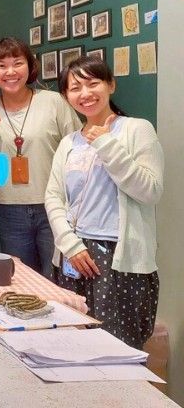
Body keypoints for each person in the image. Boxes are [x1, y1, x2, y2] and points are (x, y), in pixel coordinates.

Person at [46, 56, 163, 349]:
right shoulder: (68, 142)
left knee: (118, 347)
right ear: (66, 96)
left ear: (111, 85)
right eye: (75, 88)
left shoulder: (137, 130)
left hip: (120, 258)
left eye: (93, 83)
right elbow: (54, 197)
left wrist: (106, 144)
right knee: (71, 342)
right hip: (74, 254)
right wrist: (70, 244)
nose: (85, 94)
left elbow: (150, 191)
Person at [0, 37, 80, 278]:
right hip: (10, 209)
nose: (10, 72)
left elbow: (78, 150)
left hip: (56, 205)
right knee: (22, 279)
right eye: (1, 65)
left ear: (30, 66)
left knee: (58, 277)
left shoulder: (54, 102)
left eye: (18, 63)